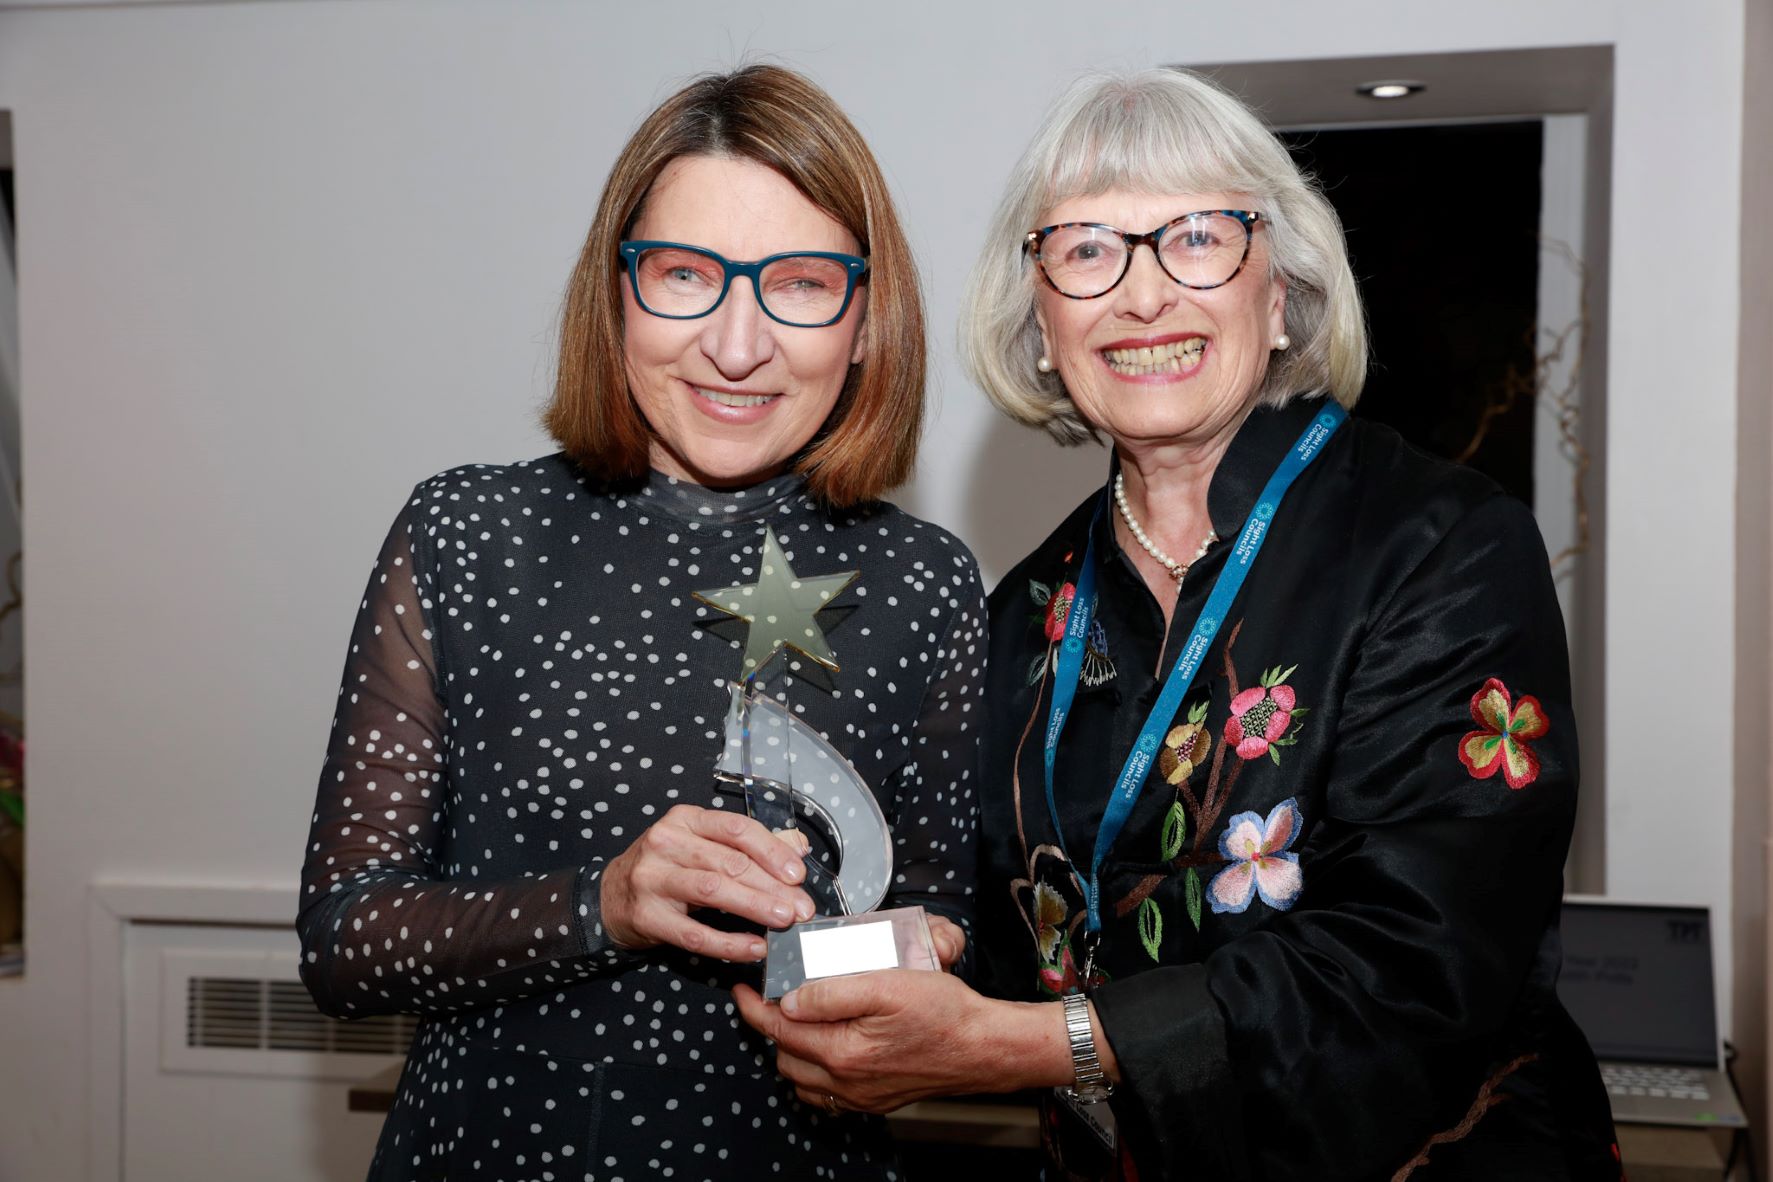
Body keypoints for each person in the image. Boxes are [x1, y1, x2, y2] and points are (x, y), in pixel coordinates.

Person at [736, 68, 1621, 1180]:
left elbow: (1416, 962)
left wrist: (1022, 1047)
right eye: (1087, 250)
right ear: (1043, 321)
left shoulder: (1442, 548)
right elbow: (1013, 927)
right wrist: (890, 943)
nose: (1143, 296)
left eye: (1198, 238)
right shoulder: (1023, 612)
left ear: (1281, 294)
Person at [297, 64, 983, 1181]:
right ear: (617, 293)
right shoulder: (468, 534)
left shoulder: (926, 580)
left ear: (865, 320)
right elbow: (343, 947)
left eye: (801, 284)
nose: (736, 344)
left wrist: (910, 951)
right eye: (685, 275)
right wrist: (604, 904)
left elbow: (943, 912)